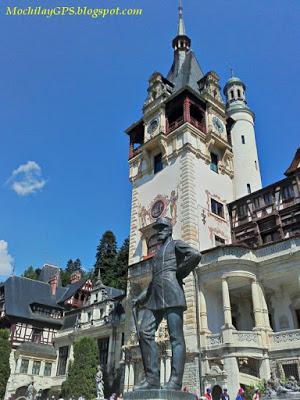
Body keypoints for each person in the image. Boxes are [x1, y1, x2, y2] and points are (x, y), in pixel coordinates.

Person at [132, 217, 201, 391]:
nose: (158, 232)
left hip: (172, 292)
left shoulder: (176, 244)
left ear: (170, 230)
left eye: (162, 228)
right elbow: (154, 281)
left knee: (176, 338)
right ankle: (152, 379)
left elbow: (195, 255)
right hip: (155, 297)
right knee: (144, 332)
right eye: (157, 229)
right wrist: (141, 297)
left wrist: (179, 273)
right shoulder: (156, 256)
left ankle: (175, 381)